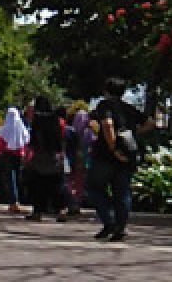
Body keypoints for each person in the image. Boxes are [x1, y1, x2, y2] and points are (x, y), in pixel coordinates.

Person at [86, 78, 153, 242]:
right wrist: (134, 133)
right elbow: (150, 123)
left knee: (94, 188)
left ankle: (109, 221)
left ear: (107, 91)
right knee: (122, 192)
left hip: (105, 156)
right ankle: (120, 227)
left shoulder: (105, 105)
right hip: (127, 156)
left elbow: (107, 125)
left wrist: (113, 147)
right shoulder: (129, 108)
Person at [24, 96, 65, 221]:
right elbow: (61, 138)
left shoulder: (37, 119)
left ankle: (37, 212)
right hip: (55, 156)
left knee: (38, 185)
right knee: (55, 185)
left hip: (40, 156)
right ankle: (61, 211)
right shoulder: (57, 119)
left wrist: (29, 154)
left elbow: (34, 139)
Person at [0, 107, 29, 214]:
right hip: (19, 156)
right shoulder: (22, 128)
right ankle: (15, 201)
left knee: (10, 179)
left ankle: (14, 202)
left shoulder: (4, 129)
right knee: (17, 178)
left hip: (7, 156)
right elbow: (26, 141)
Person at [63, 104, 91, 218]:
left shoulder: (70, 130)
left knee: (70, 182)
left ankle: (71, 204)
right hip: (83, 161)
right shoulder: (89, 132)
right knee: (79, 183)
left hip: (71, 160)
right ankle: (76, 204)